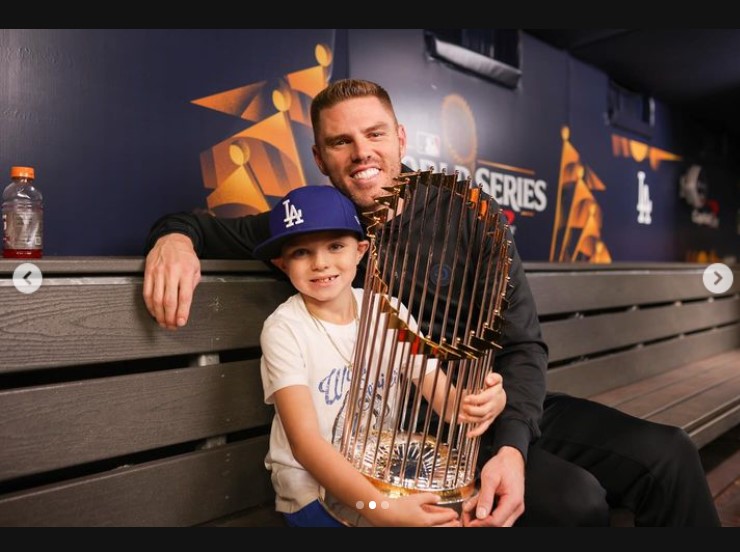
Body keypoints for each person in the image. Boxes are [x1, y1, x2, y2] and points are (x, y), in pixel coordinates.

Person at [143, 78, 721, 527]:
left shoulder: (469, 213)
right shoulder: (314, 228)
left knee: (668, 454)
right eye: (340, 141)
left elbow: (523, 345)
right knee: (576, 502)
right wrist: (173, 238)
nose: (360, 152)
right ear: (320, 157)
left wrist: (513, 442)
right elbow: (202, 227)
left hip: (492, 407)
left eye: (374, 134)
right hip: (408, 436)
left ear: (400, 138)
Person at [251, 184, 505, 527]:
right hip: (310, 492)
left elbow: (446, 402)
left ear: (361, 250)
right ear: (282, 264)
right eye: (301, 253)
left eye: (336, 246)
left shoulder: (389, 311)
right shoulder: (284, 328)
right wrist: (383, 510)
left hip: (378, 478)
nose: (320, 263)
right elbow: (306, 445)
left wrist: (482, 402)